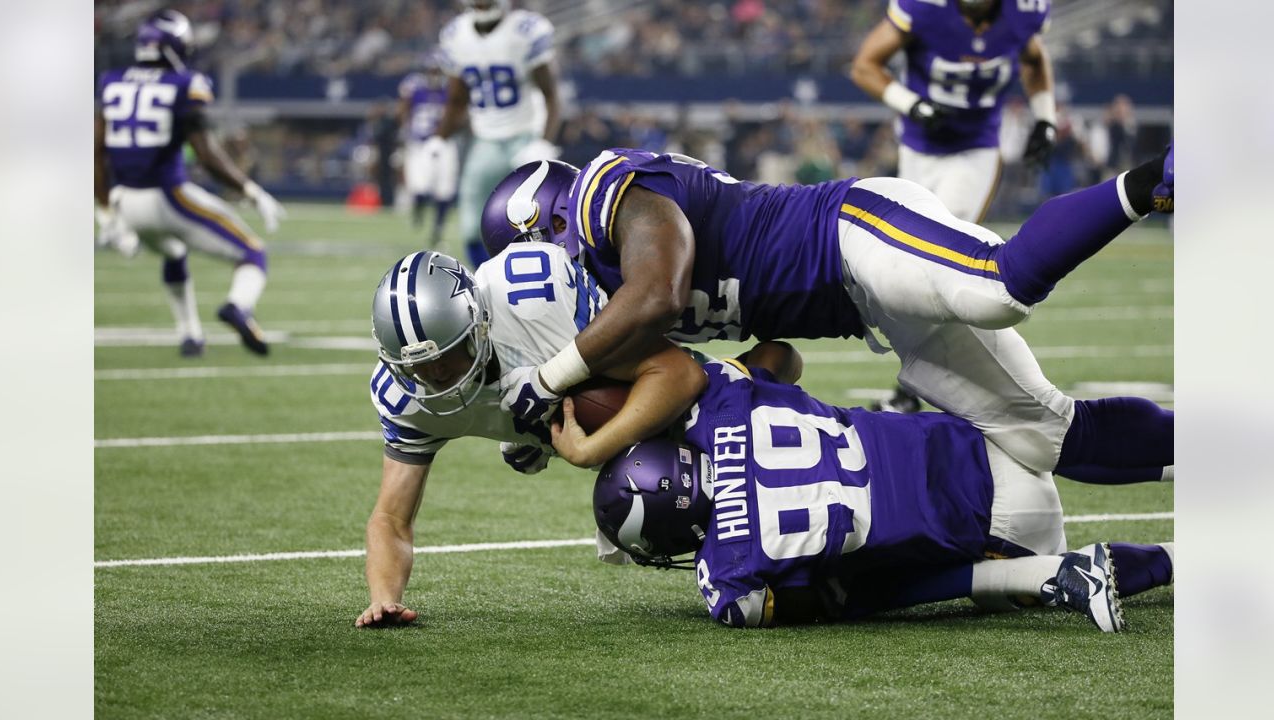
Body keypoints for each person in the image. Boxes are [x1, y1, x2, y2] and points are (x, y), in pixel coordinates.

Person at [480, 146, 1174, 485]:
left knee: (998, 287)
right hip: (861, 305)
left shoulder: (610, 189)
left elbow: (659, 292)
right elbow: (772, 362)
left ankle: (1151, 179)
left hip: (850, 230)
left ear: (548, 221)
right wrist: (546, 426)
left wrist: (553, 375)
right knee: (1043, 437)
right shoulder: (607, 304)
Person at [579, 341, 1174, 630]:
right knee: (1076, 430)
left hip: (1005, 529)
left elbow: (842, 602)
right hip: (977, 433)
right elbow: (782, 357)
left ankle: (1131, 564)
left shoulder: (730, 581)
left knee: (864, 587)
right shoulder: (721, 401)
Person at [356, 239, 702, 628]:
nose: (435, 375)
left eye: (445, 355)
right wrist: (384, 598)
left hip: (697, 412)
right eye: (419, 366)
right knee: (627, 497)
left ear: (478, 323)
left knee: (643, 485)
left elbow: (680, 374)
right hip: (642, 431)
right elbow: (390, 516)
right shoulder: (410, 399)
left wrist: (585, 445)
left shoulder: (535, 305)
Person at [95, 8, 285, 357]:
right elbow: (208, 155)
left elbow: (96, 153)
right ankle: (238, 306)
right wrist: (251, 190)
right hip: (169, 196)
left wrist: (106, 213)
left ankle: (190, 335)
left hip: (126, 201)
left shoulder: (111, 80)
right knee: (253, 253)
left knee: (174, 251)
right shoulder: (185, 84)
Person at [849, 0, 1058, 222]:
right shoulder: (925, 6)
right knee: (911, 235)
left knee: (945, 232)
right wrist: (912, 104)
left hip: (976, 145)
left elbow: (1035, 60)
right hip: (917, 144)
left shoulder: (1022, 10)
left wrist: (1045, 119)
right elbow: (864, 67)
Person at [422, 0, 563, 268]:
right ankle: (489, 282)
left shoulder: (526, 29)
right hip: (486, 139)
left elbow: (552, 95)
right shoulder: (456, 35)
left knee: (542, 219)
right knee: (472, 224)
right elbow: (457, 99)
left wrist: (544, 142)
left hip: (525, 135)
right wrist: (439, 138)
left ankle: (557, 282)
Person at [398, 58, 456, 245]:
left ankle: (438, 227)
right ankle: (418, 210)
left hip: (444, 143)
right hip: (420, 144)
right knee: (420, 188)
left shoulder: (450, 90)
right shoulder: (415, 88)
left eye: (437, 71)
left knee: (445, 190)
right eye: (431, 71)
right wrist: (406, 129)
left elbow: (461, 113)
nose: (434, 75)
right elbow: (403, 110)